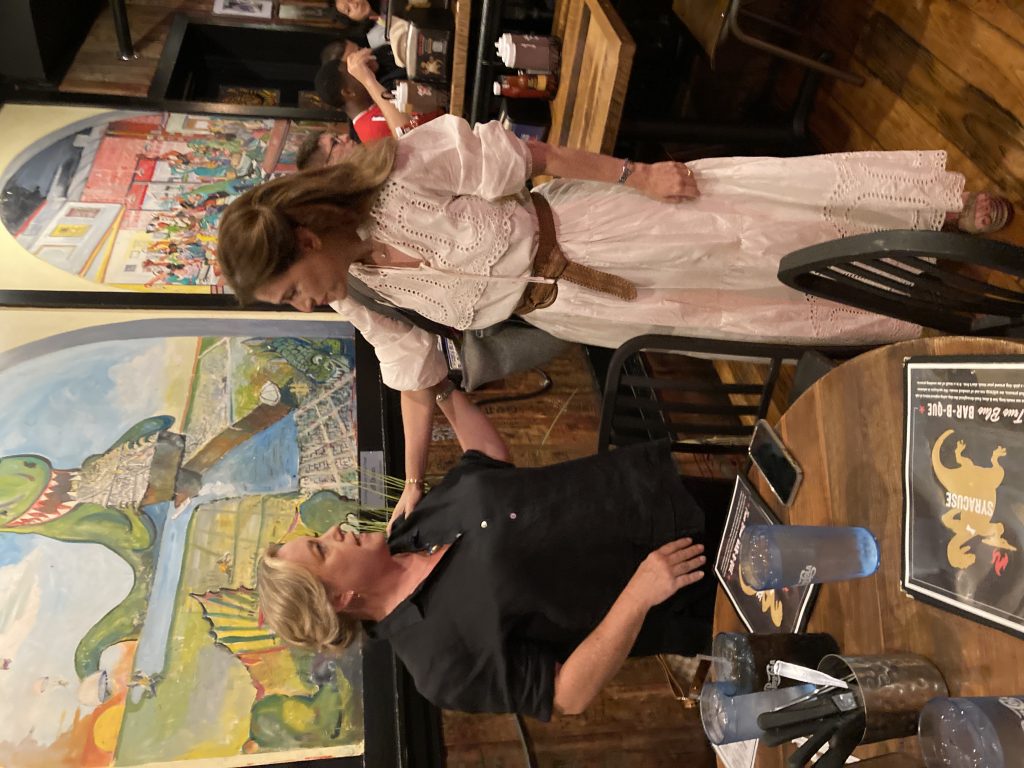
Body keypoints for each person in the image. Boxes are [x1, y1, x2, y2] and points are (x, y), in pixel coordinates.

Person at [217, 114, 1012, 516]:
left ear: (306, 239)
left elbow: (527, 157)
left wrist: (636, 174)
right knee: (749, 314)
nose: (307, 304)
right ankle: (932, 312)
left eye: (293, 292)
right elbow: (412, 373)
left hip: (593, 228)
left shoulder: (397, 172)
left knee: (761, 233)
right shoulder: (361, 292)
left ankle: (937, 218)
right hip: (578, 309)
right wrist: (414, 483)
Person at [256, 393, 718, 719]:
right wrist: (639, 595)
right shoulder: (437, 665)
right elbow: (567, 695)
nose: (335, 530)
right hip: (685, 587)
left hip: (659, 495)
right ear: (339, 598)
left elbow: (488, 461)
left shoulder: (409, 528)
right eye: (322, 548)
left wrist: (442, 388)